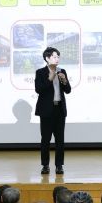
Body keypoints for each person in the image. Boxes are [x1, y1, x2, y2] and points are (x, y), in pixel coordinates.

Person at [35, 46, 71, 175]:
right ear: (47, 58)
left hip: (59, 110)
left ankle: (59, 166)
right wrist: (50, 79)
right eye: (54, 57)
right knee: (45, 140)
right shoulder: (40, 72)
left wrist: (64, 81)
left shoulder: (62, 71)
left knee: (60, 140)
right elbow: (39, 89)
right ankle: (45, 165)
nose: (57, 59)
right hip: (46, 111)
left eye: (58, 57)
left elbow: (68, 90)